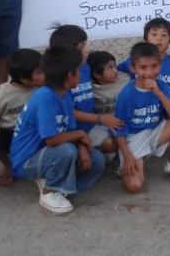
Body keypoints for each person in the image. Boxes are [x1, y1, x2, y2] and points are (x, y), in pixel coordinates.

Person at [10, 46, 105, 214]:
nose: (81, 74)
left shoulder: (65, 93)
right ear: (69, 75)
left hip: (50, 152)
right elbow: (52, 139)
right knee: (66, 151)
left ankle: (64, 189)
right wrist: (81, 135)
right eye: (78, 70)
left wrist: (83, 148)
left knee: (96, 158)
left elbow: (71, 130)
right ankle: (48, 191)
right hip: (27, 160)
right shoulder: (44, 97)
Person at [115, 42, 170, 192]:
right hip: (133, 138)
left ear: (160, 65)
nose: (150, 72)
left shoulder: (162, 86)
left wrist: (158, 93)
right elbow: (119, 130)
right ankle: (133, 161)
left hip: (154, 132)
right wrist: (128, 156)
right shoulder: (127, 93)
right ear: (133, 68)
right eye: (143, 67)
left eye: (154, 66)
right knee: (134, 186)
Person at [116, 18, 170, 163]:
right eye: (154, 34)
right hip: (145, 107)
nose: (159, 38)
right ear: (146, 38)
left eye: (164, 35)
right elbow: (116, 71)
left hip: (168, 105)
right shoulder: (135, 60)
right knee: (134, 184)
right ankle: (137, 149)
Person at [49, 24, 121, 154]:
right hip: (70, 131)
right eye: (83, 46)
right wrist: (101, 119)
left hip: (90, 125)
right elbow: (69, 112)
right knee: (109, 145)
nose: (87, 49)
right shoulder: (61, 78)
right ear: (69, 51)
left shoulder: (85, 67)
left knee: (122, 135)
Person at [0, 48, 44, 186]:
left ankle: (38, 164)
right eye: (39, 72)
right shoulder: (4, 92)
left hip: (33, 131)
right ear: (25, 79)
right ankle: (9, 165)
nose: (44, 74)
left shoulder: (42, 88)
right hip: (11, 132)